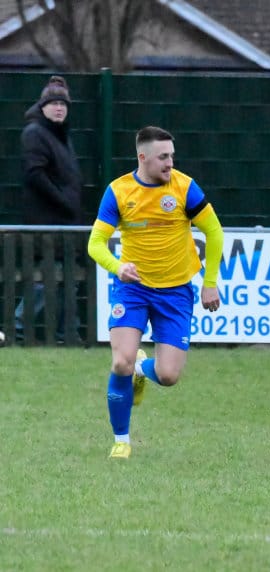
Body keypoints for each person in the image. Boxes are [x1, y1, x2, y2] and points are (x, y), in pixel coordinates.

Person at [87, 126, 224, 460]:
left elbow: (214, 231)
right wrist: (118, 267)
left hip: (175, 292)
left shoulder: (185, 187)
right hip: (133, 290)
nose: (170, 163)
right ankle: (121, 440)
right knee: (120, 361)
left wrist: (209, 282)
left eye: (172, 156)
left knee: (168, 375)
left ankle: (141, 370)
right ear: (143, 157)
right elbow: (95, 244)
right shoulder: (118, 191)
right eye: (163, 157)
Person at [18, 75, 85, 342]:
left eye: (63, 104)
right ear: (42, 107)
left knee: (67, 279)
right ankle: (17, 328)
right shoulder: (35, 133)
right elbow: (35, 174)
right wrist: (64, 201)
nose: (59, 108)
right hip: (47, 224)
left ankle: (67, 333)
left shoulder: (60, 136)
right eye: (54, 103)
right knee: (47, 279)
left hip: (64, 223)